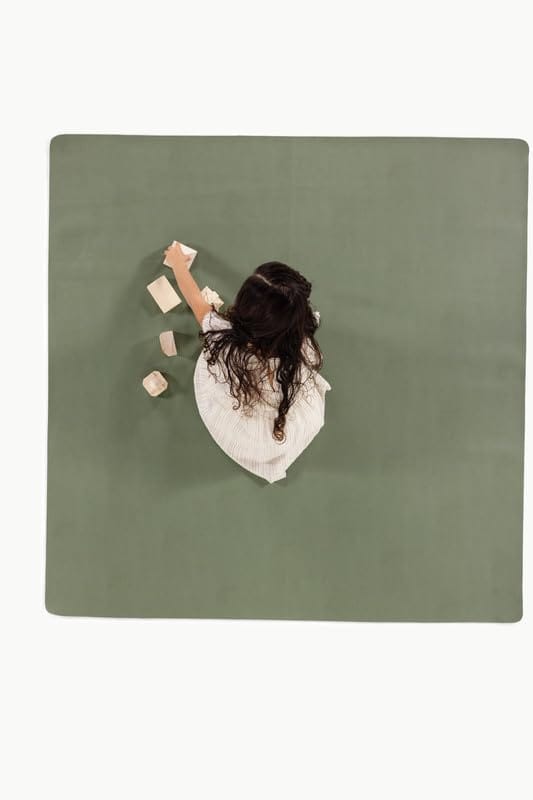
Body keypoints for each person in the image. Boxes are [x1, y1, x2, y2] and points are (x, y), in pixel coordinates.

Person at [163, 242, 332, 483]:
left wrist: (178, 264)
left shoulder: (224, 342)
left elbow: (195, 301)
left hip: (246, 432)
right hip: (280, 431)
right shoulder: (300, 347)